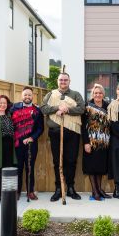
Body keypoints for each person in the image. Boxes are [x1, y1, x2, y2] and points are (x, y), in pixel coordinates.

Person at [41, 72, 85, 202]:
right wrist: (57, 108)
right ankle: (59, 189)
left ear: (69, 81)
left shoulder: (76, 94)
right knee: (57, 161)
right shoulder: (51, 94)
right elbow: (43, 108)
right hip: (55, 132)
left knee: (71, 161)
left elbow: (82, 108)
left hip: (72, 133)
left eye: (65, 80)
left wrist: (67, 110)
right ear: (57, 81)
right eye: (61, 80)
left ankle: (70, 188)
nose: (63, 82)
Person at [11, 87, 44, 201]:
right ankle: (17, 191)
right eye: (25, 95)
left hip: (31, 144)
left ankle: (30, 191)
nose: (27, 97)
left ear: (32, 96)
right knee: (18, 168)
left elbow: (40, 128)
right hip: (17, 144)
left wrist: (32, 138)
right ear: (21, 96)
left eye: (29, 95)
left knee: (30, 168)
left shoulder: (37, 110)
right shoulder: (14, 108)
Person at [81, 83, 111, 201]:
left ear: (103, 94)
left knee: (100, 167)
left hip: (104, 142)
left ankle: (100, 190)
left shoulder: (108, 106)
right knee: (91, 167)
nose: (98, 95)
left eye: (100, 93)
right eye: (95, 93)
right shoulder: (87, 106)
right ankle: (95, 191)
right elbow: (83, 126)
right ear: (92, 94)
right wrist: (86, 142)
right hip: (91, 141)